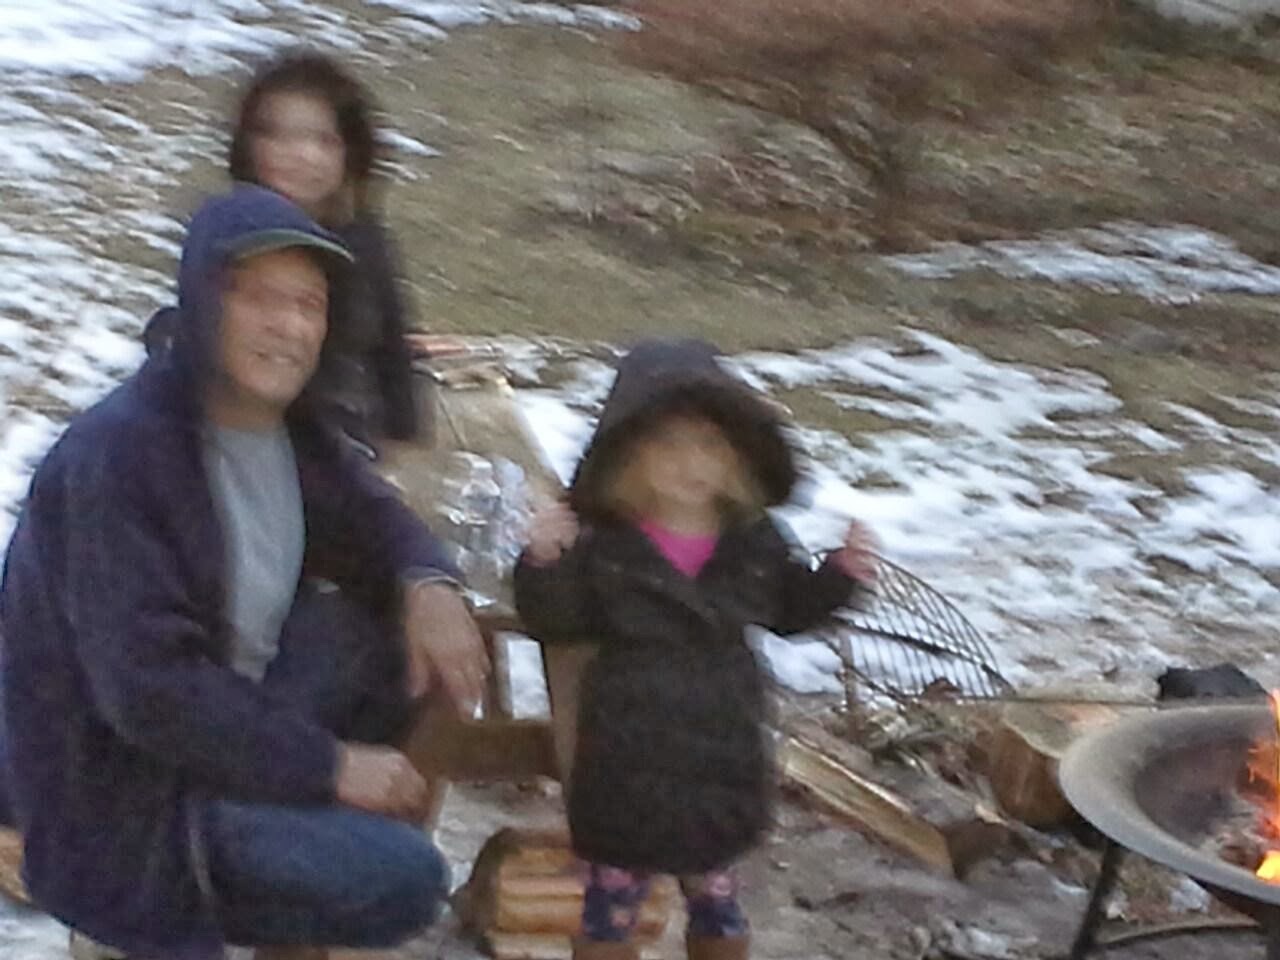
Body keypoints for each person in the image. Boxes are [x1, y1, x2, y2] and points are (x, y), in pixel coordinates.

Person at [0, 185, 490, 960]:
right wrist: (330, 766)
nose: (288, 326)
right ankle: (174, 898)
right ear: (203, 305)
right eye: (259, 298)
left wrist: (430, 583)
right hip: (122, 786)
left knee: (385, 637)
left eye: (308, 305)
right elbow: (148, 691)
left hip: (224, 715)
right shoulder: (121, 455)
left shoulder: (291, 432)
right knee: (404, 879)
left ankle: (264, 803)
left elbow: (378, 518)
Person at [513, 339, 879, 960]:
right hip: (628, 755)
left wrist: (840, 577)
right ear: (629, 453)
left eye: (709, 445)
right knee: (611, 913)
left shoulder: (754, 538)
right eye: (669, 445)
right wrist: (545, 562)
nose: (691, 464)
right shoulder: (604, 543)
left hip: (720, 752)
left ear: (736, 455)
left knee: (718, 905)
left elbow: (787, 610)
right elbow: (558, 621)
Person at [227, 50, 424, 453]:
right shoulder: (228, 237)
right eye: (279, 136)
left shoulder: (364, 241)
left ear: (350, 153)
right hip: (249, 437)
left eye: (323, 140)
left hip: (347, 438)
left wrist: (403, 433)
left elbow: (392, 346)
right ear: (249, 144)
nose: (301, 156)